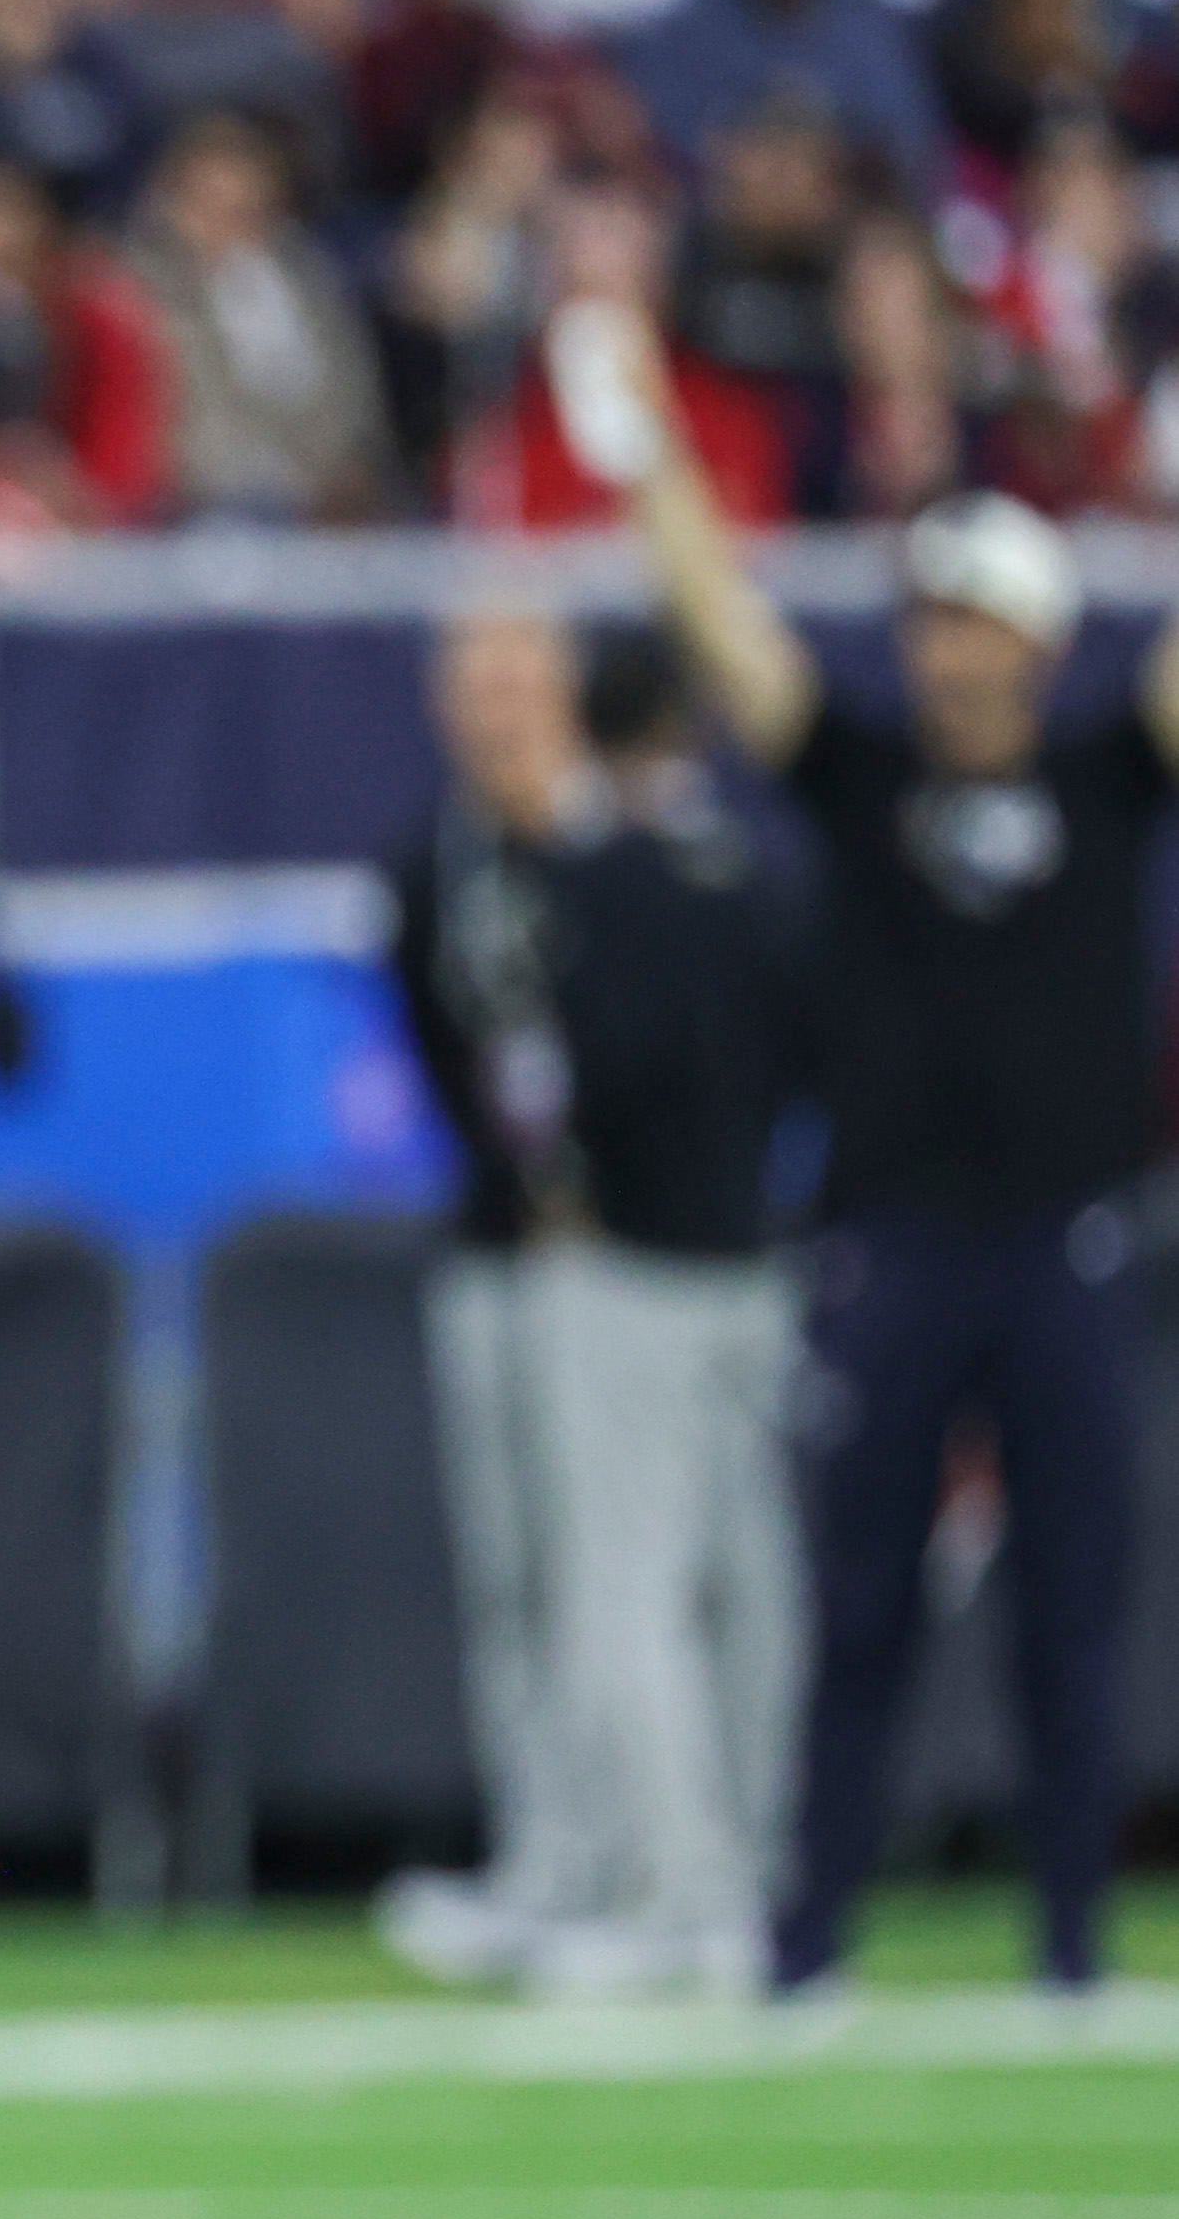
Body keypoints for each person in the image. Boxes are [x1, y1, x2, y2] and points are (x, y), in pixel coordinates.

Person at [602, 308, 1173, 1994]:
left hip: (1069, 1237)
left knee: (1072, 1617)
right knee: (857, 1609)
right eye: (930, 620)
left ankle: (1070, 1946)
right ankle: (812, 1937)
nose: (949, 652)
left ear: (1043, 640)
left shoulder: (1114, 780)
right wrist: (648, 444)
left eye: (979, 620)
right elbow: (724, 623)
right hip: (895, 1239)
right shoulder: (856, 780)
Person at [516, 626, 804, 1999]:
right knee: (753, 1576)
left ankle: (684, 1884)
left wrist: (568, 1179)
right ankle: (759, 1859)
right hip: (758, 1253)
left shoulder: (596, 881)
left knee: (629, 1589)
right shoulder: (760, 868)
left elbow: (584, 1067)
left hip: (635, 1260)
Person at [377, 605, 594, 1989]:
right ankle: (547, 1855)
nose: (498, 710)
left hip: (629, 1255)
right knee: (516, 1573)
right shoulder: (430, 867)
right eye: (476, 686)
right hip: (496, 1247)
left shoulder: (621, 850)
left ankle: (672, 1854)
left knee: (624, 1581)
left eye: (522, 679)